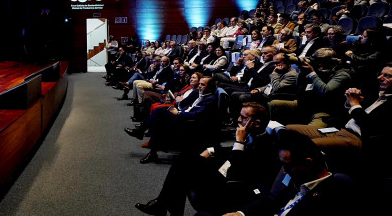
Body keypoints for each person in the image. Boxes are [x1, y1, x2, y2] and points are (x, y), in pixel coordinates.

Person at [134, 103, 281, 216]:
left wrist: (239, 142)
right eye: (240, 115)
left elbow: (238, 169)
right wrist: (212, 150)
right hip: (222, 170)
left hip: (230, 184)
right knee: (183, 160)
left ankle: (162, 206)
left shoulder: (265, 145)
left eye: (244, 118)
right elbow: (231, 151)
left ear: (256, 122)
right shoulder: (251, 134)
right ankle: (164, 207)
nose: (238, 119)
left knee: (181, 172)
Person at [286, 63, 392, 179]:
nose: (380, 78)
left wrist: (355, 104)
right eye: (380, 74)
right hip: (340, 129)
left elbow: (371, 127)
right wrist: (351, 100)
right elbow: (348, 111)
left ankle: (299, 184)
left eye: (387, 76)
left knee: (308, 147)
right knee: (289, 129)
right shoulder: (376, 93)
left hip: (358, 139)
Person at [220, 129, 359, 216]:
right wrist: (241, 213)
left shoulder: (332, 194)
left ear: (308, 163)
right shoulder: (299, 177)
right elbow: (273, 200)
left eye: (287, 166)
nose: (284, 171)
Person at [125, 76, 220, 163]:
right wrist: (178, 109)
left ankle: (141, 132)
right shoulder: (199, 94)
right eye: (199, 83)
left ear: (210, 87)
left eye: (202, 84)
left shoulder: (211, 99)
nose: (199, 86)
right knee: (159, 119)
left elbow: (197, 115)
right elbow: (186, 105)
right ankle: (151, 151)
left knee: (159, 112)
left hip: (188, 124)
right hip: (182, 116)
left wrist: (178, 113)